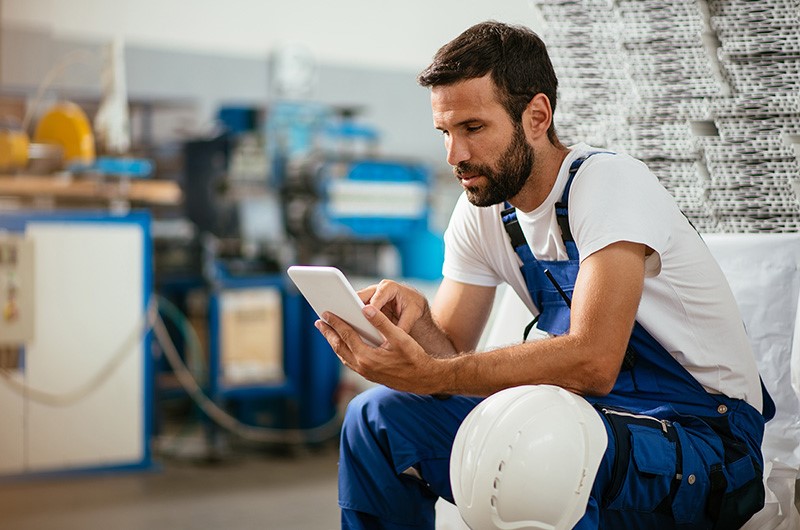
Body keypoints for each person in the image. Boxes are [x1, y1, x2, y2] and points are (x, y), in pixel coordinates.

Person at [315, 20, 773, 530]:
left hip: (703, 441)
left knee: (542, 454)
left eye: (473, 128)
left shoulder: (607, 183)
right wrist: (419, 328)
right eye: (445, 132)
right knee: (378, 419)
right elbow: (447, 365)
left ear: (536, 116)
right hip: (590, 423)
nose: (454, 156)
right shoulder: (482, 210)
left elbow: (594, 360)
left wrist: (433, 372)